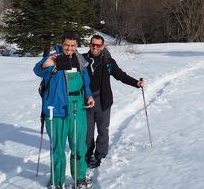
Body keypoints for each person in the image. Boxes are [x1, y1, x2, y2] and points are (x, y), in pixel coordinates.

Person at [34, 31, 95, 189]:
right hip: (56, 108)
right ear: (61, 44)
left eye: (73, 46)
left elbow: (86, 83)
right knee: (58, 147)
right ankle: (57, 181)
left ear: (76, 46)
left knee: (79, 144)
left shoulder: (80, 60)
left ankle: (79, 177)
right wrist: (46, 64)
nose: (69, 48)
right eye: (67, 45)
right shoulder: (54, 57)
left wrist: (88, 96)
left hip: (78, 105)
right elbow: (38, 70)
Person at [83, 35, 145, 169]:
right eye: (93, 44)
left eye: (98, 45)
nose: (95, 47)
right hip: (86, 100)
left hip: (103, 100)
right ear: (90, 45)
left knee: (102, 131)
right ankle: (87, 155)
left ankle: (100, 156)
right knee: (87, 132)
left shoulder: (108, 61)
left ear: (102, 47)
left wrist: (136, 83)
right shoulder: (82, 59)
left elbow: (120, 76)